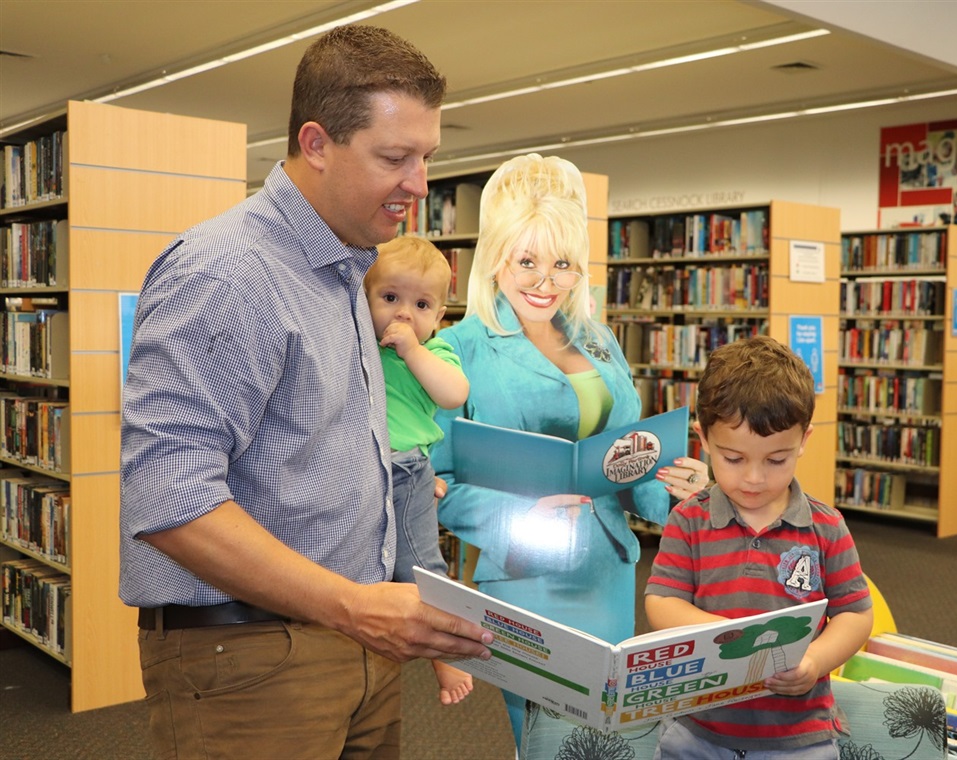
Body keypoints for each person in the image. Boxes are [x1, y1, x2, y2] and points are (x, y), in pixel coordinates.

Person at [119, 25, 492, 760]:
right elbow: (167, 498)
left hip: (358, 648)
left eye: (427, 158)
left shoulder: (348, 269)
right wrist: (352, 606)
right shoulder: (227, 272)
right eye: (395, 158)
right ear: (317, 144)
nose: (420, 184)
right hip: (255, 660)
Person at [430, 153, 709, 750]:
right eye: (526, 261)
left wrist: (681, 492)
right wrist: (513, 518)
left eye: (562, 264)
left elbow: (630, 460)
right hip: (524, 571)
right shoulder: (458, 349)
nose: (544, 282)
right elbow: (433, 481)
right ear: (495, 258)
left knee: (611, 735)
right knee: (546, 738)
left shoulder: (598, 339)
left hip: (606, 571)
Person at [645, 335, 874, 759]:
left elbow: (855, 615)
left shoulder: (825, 527)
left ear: (804, 440)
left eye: (775, 460)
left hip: (799, 736)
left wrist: (815, 661)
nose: (753, 478)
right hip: (698, 730)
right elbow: (662, 600)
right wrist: (723, 637)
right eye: (733, 459)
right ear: (704, 440)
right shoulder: (690, 520)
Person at [363, 235, 473, 705]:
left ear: (439, 318)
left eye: (421, 304)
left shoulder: (437, 352)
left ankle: (446, 657)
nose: (404, 314)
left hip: (405, 471)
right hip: (361, 469)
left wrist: (412, 351)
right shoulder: (360, 346)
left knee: (420, 568)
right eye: (390, 298)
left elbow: (453, 394)